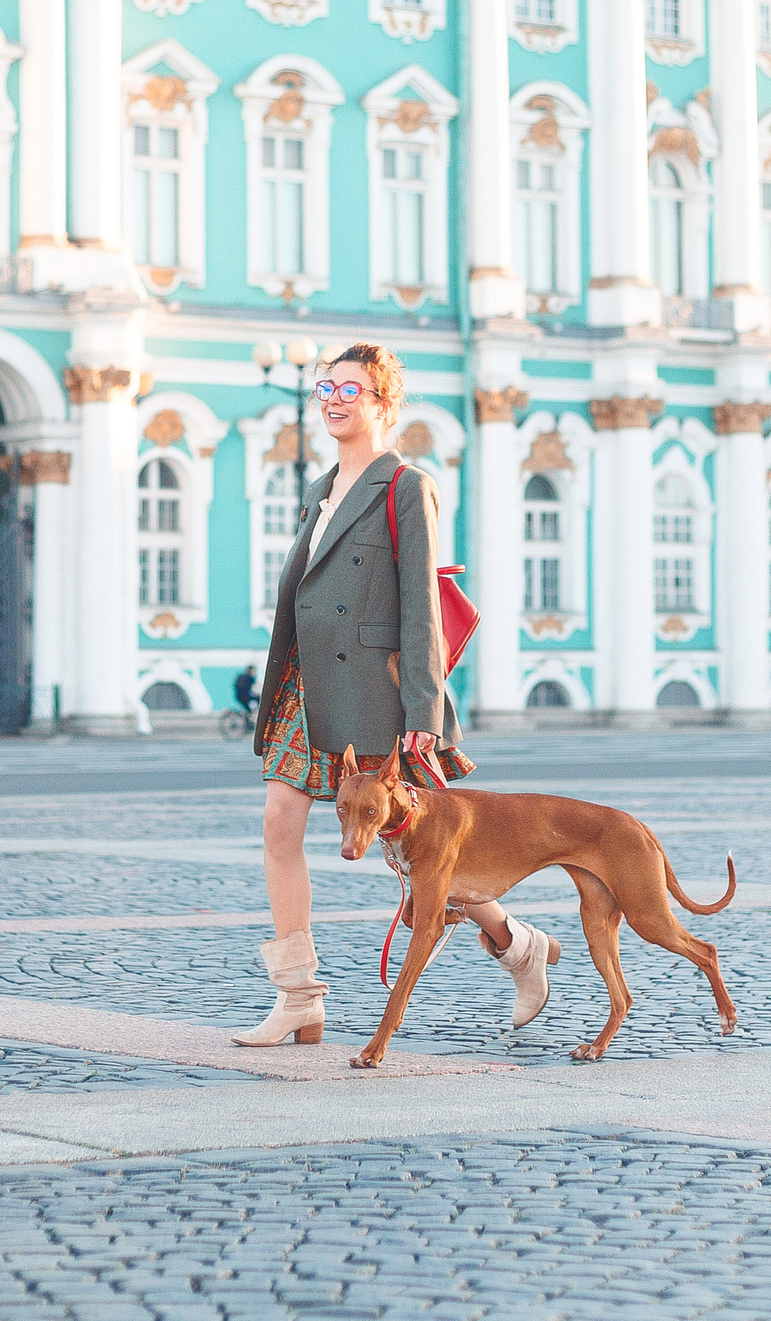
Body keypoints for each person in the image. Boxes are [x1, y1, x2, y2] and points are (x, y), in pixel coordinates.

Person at [236, 343, 559, 1047]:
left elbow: (419, 607)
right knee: (278, 824)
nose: (333, 398)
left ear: (384, 403)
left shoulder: (405, 486)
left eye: (350, 388)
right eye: (326, 386)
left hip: (375, 693)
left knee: (420, 850)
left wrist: (424, 712)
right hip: (305, 680)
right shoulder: (319, 489)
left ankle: (517, 944)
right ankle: (299, 996)